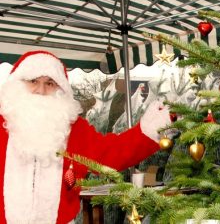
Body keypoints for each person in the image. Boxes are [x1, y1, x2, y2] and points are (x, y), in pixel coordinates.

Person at [0, 50, 169, 223]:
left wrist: (147, 130)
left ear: (60, 89)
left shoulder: (73, 129)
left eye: (49, 83)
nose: (41, 90)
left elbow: (109, 154)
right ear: (18, 83)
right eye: (33, 81)